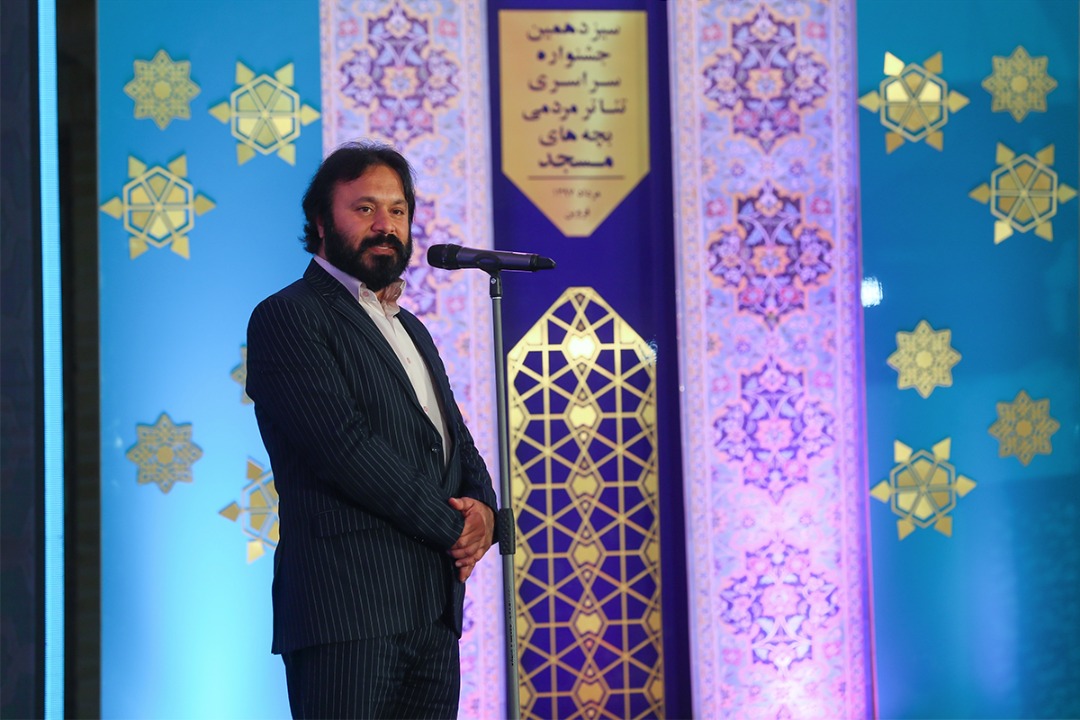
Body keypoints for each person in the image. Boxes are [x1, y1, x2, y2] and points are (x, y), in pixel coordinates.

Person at [246, 141, 498, 719]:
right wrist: (454, 528)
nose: (386, 225)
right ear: (320, 221)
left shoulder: (411, 328)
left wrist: (485, 512)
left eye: (398, 210)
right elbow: (345, 447)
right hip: (347, 612)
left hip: (432, 611)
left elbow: (452, 438)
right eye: (365, 209)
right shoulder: (289, 315)